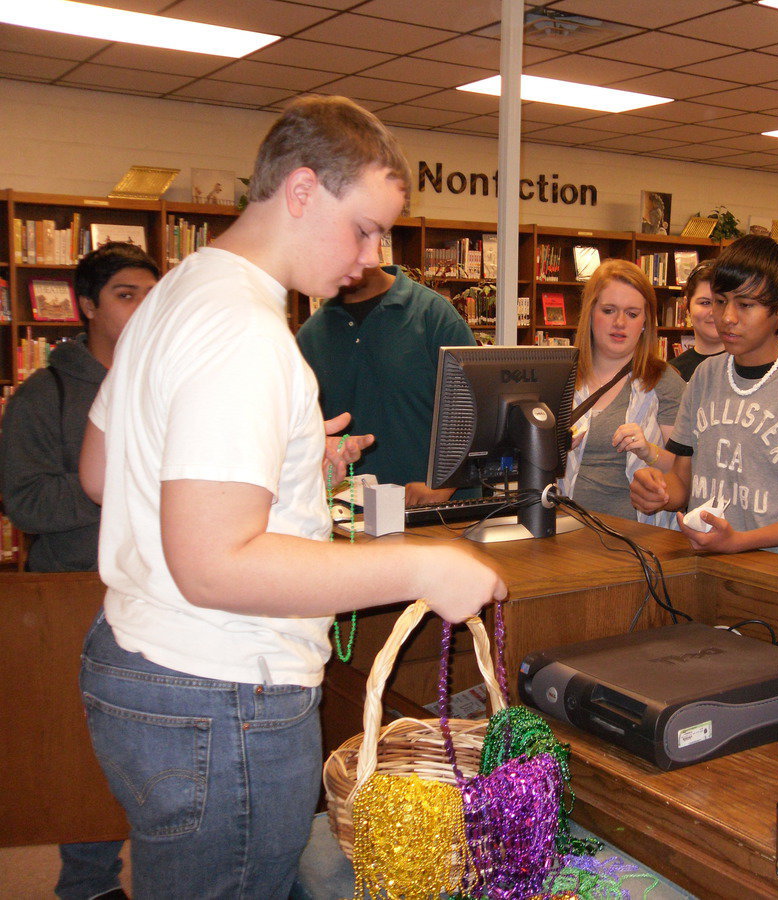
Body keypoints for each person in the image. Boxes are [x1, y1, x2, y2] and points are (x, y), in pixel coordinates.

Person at [77, 96, 505, 898]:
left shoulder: (174, 294)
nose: (373, 254)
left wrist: (288, 466)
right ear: (302, 191)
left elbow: (106, 470)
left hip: (140, 663)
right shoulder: (246, 332)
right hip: (223, 690)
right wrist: (424, 567)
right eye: (366, 227)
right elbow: (214, 565)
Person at [0, 242, 158, 900]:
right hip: (74, 597)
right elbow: (24, 500)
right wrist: (110, 484)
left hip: (160, 589)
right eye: (126, 295)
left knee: (156, 751)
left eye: (152, 295)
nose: (143, 308)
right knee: (81, 755)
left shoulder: (165, 381)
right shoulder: (45, 395)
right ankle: (87, 885)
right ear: (87, 306)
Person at [630, 234, 778, 554]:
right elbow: (682, 482)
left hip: (772, 573)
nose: (727, 317)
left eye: (746, 305)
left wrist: (739, 542)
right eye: (719, 300)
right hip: (705, 563)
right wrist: (658, 492)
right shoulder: (705, 376)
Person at [296, 263, 475, 506]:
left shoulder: (434, 316)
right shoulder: (310, 335)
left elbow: (479, 414)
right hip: (350, 517)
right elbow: (300, 431)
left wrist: (446, 485)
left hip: (436, 515)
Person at [561, 259, 684, 525]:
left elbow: (684, 472)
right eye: (608, 310)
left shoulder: (664, 381)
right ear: (590, 313)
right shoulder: (560, 377)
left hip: (640, 539)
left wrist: (648, 451)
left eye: (632, 314)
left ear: (645, 322)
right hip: (566, 533)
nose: (619, 323)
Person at [669, 261, 723, 381]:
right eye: (705, 303)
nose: (713, 312)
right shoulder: (672, 373)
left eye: (721, 302)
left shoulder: (748, 364)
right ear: (686, 306)